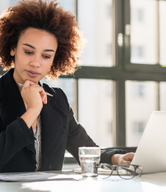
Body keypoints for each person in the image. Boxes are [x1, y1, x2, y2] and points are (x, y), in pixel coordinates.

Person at [0, 0, 134, 172]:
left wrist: (117, 158)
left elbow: (84, 148)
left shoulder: (58, 100)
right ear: (13, 48)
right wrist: (32, 110)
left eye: (46, 56)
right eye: (28, 52)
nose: (36, 63)